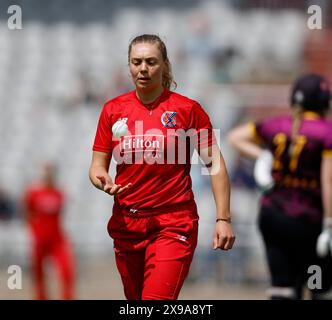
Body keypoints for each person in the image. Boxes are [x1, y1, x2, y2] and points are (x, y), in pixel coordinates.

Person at [89, 34, 235, 300]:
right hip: (127, 223)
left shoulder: (188, 110)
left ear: (165, 65)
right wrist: (103, 180)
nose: (143, 68)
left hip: (173, 224)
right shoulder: (112, 110)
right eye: (136, 62)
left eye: (151, 61)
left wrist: (223, 218)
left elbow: (214, 164)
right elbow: (97, 167)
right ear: (129, 65)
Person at [227, 73, 332, 299]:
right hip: (310, 224)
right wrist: (329, 224)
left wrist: (264, 155)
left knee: (282, 288)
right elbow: (328, 180)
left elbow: (235, 137)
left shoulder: (277, 125)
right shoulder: (326, 131)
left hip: (273, 218)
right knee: (318, 286)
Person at [23, 162, 75, 300]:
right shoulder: (33, 193)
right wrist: (32, 232)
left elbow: (61, 215)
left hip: (57, 239)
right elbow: (27, 213)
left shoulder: (59, 193)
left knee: (66, 270)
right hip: (39, 238)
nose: (48, 174)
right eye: (46, 171)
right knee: (38, 273)